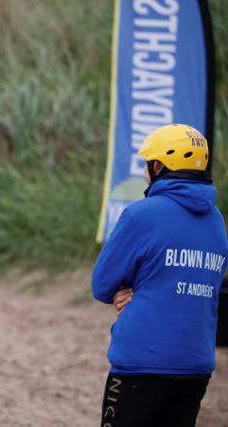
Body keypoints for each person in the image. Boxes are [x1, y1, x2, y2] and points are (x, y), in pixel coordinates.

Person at [91, 123, 228, 427]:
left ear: (158, 166)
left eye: (146, 164)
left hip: (142, 362)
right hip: (196, 363)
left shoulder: (143, 214)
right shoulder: (217, 221)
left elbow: (102, 284)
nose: (144, 172)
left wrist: (129, 291)